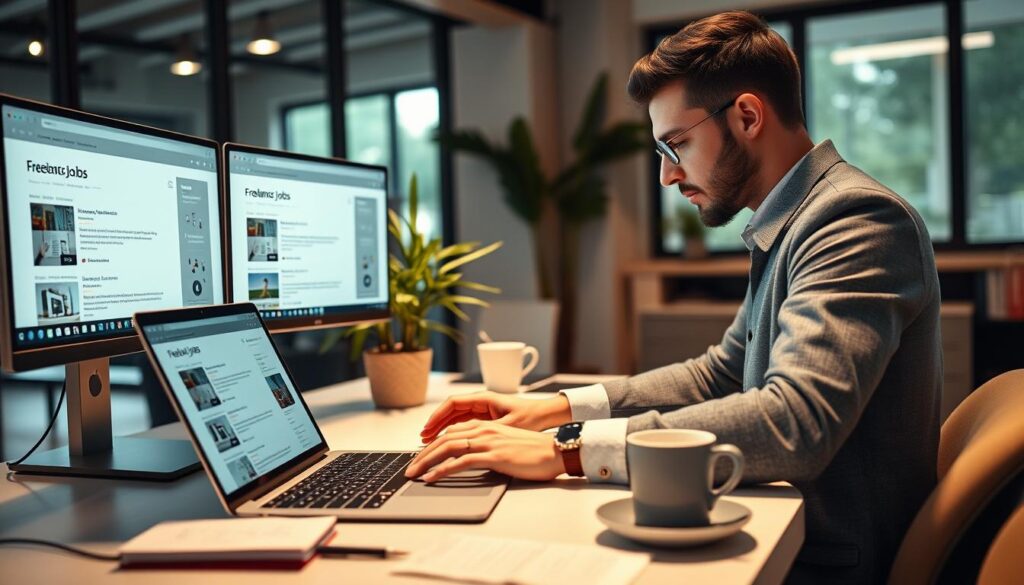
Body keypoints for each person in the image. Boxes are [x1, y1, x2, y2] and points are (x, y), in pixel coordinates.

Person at [405, 10, 940, 585]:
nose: (666, 175)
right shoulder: (793, 221)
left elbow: (795, 419)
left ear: (747, 116)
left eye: (675, 145)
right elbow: (723, 374)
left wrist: (568, 450)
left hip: (819, 561)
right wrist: (556, 408)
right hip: (786, 532)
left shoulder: (852, 220)